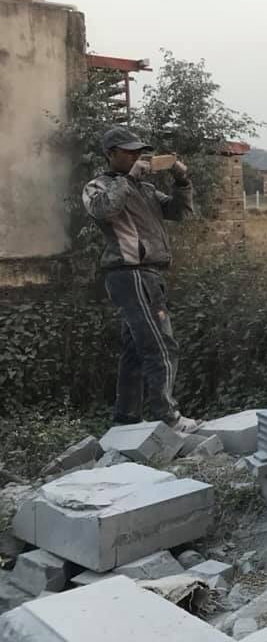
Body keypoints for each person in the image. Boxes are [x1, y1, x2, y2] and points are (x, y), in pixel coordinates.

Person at [82, 127, 200, 433]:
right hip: (130, 273)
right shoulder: (98, 186)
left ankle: (126, 419)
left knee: (135, 349)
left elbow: (180, 213)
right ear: (111, 154)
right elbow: (103, 210)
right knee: (161, 344)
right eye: (129, 151)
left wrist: (181, 180)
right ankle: (169, 417)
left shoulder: (146, 189)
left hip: (149, 274)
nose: (137, 156)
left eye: (139, 151)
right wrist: (129, 179)